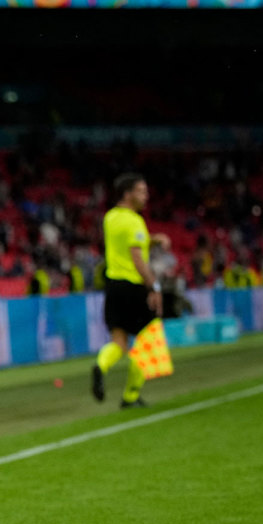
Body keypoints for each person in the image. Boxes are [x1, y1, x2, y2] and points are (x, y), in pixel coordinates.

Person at [91, 173, 168, 409]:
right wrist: (153, 286)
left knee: (119, 342)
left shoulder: (110, 218)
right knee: (149, 340)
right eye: (141, 191)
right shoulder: (134, 221)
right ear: (127, 194)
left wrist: (153, 240)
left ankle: (101, 366)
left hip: (113, 286)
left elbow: (130, 244)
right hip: (134, 287)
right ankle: (130, 396)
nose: (146, 196)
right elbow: (137, 257)